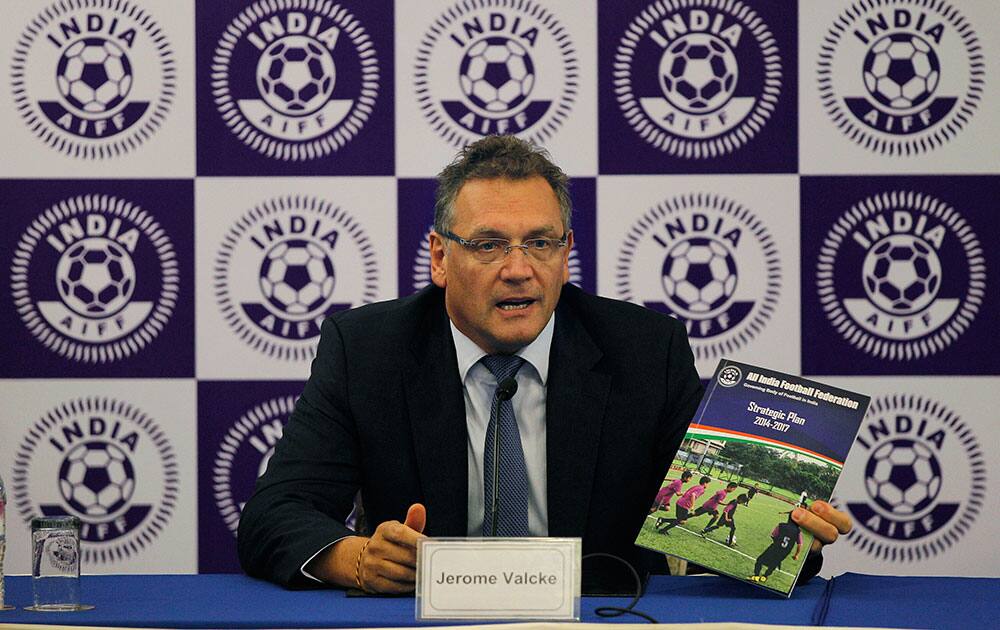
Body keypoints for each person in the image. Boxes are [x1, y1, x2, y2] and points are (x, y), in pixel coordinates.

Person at [237, 135, 853, 595]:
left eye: (540, 243)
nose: (518, 268)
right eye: (488, 245)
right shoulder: (368, 349)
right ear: (439, 258)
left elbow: (715, 523)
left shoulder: (644, 350)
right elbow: (274, 514)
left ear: (566, 255)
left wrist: (790, 531)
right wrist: (358, 559)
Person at [750, 512, 802, 583]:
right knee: (774, 563)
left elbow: (773, 535)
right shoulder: (798, 531)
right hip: (785, 552)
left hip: (775, 548)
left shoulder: (781, 525)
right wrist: (796, 555)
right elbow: (799, 544)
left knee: (760, 560)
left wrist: (777, 541)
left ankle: (756, 576)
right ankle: (764, 576)